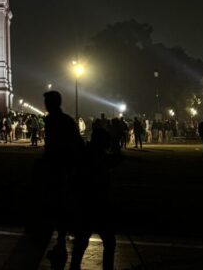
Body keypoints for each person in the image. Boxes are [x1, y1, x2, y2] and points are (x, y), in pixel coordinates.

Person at [67, 126, 121, 270]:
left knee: (82, 241)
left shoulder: (86, 154)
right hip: (96, 204)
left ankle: (74, 266)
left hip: (85, 204)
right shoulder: (98, 157)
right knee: (108, 241)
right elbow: (113, 160)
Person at [42, 90, 84, 269]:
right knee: (60, 204)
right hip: (63, 167)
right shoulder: (64, 120)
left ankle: (63, 238)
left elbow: (56, 146)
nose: (45, 105)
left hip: (61, 169)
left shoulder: (54, 121)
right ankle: (61, 239)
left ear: (51, 103)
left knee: (60, 203)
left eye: (47, 102)